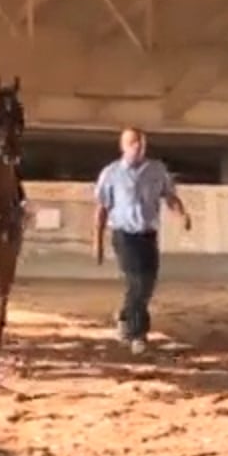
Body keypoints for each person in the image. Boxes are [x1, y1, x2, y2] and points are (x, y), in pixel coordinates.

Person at [93, 127, 192, 354]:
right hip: (123, 234)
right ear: (123, 146)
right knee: (137, 281)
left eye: (141, 142)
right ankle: (138, 333)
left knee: (147, 284)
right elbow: (101, 208)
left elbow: (170, 196)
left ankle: (124, 315)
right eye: (132, 142)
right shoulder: (111, 173)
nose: (138, 146)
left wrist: (182, 215)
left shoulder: (156, 170)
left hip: (148, 235)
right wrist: (97, 241)